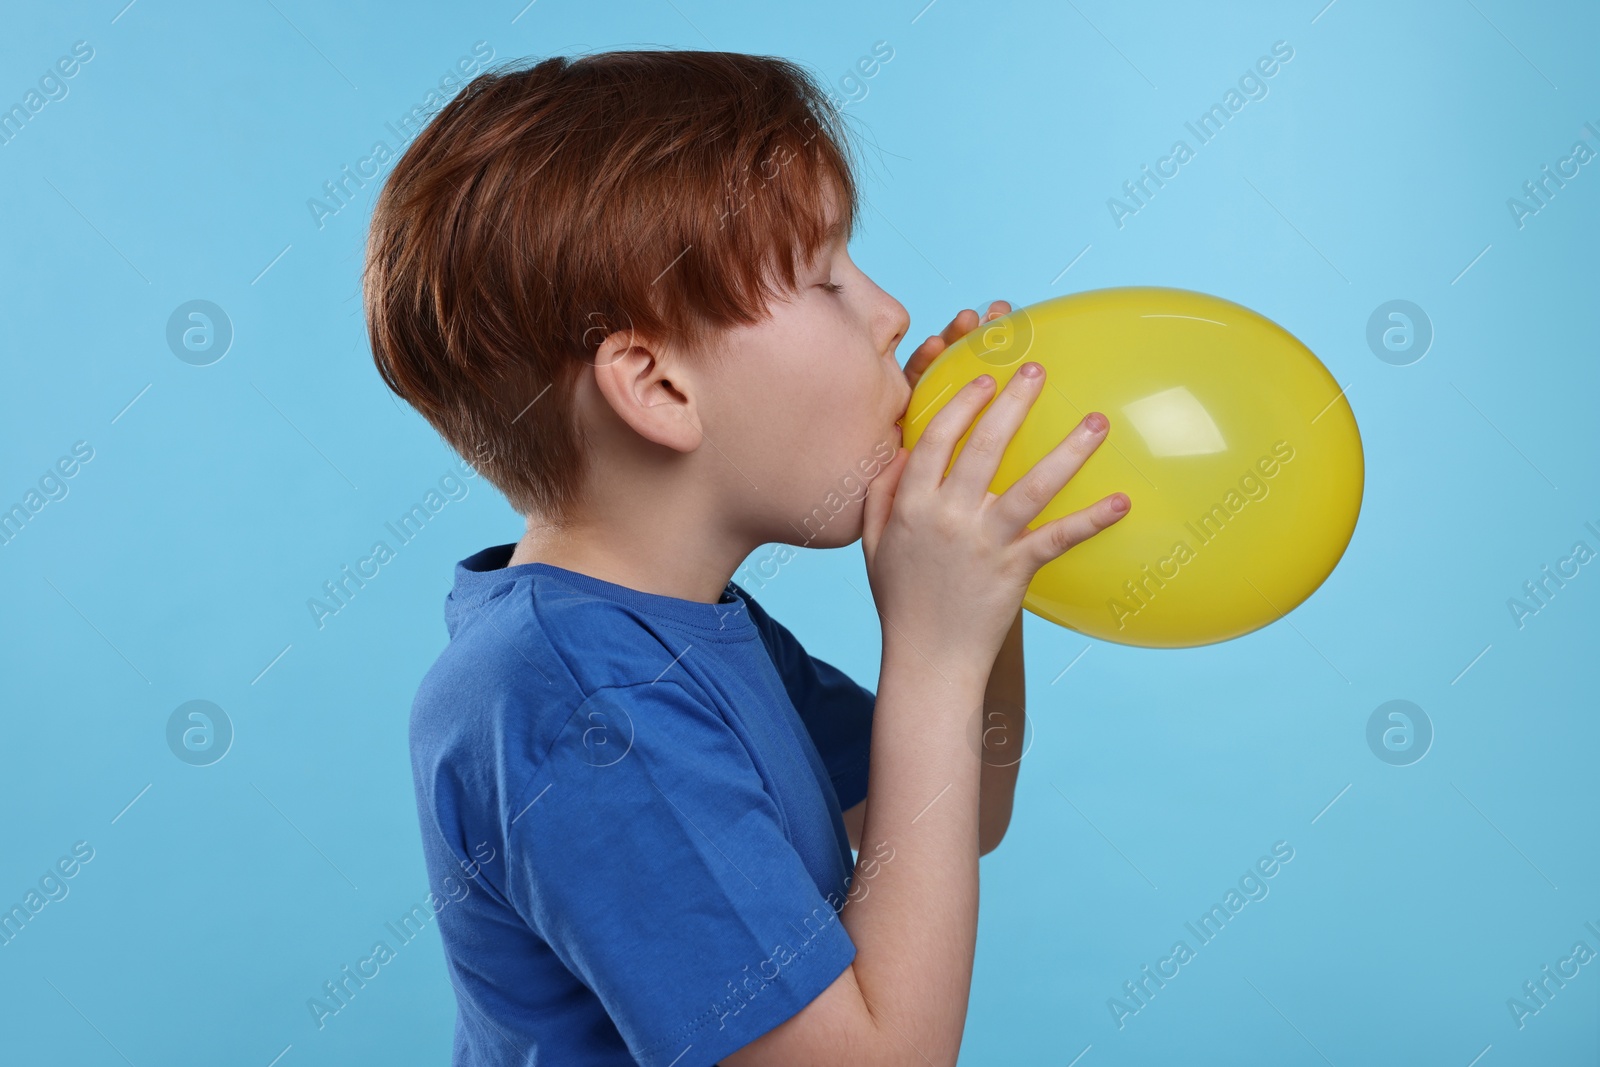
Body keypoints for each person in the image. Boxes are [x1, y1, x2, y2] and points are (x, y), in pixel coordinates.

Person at [363, 48, 1128, 1067]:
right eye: (826, 281)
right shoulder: (576, 695)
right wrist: (937, 648)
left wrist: (985, 575)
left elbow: (962, 807)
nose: (890, 313)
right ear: (660, 386)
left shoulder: (684, 623)